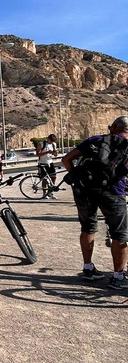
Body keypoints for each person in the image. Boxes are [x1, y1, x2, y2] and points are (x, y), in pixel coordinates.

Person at [62, 116, 128, 289]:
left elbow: (66, 159)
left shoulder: (95, 140)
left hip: (84, 190)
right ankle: (118, 277)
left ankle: (88, 268)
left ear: (113, 127)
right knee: (119, 234)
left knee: (88, 228)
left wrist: (76, 176)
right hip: (114, 192)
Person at [36, 134, 59, 199]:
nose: (50, 142)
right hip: (42, 163)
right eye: (50, 140)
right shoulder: (41, 144)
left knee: (53, 177)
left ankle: (50, 192)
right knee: (44, 179)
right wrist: (47, 152)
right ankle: (44, 193)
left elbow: (55, 155)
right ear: (47, 138)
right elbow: (37, 154)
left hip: (50, 162)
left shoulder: (53, 144)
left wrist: (55, 153)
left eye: (52, 141)